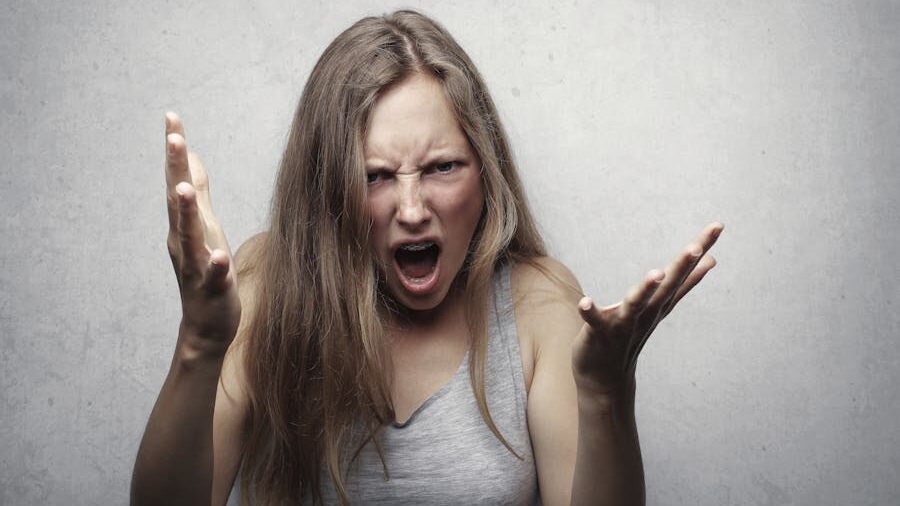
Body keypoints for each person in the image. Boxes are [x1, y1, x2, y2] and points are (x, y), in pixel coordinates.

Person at [131, 9, 723, 506]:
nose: (412, 208)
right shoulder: (265, 286)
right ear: (325, 190)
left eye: (442, 167)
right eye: (375, 176)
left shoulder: (538, 304)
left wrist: (605, 394)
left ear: (485, 175)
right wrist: (202, 343)